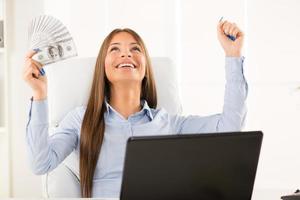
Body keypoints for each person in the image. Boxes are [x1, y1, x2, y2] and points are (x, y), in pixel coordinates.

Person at [23, 20, 247, 198]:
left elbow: (230, 126)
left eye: (135, 49)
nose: (126, 54)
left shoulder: (169, 123)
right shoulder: (81, 119)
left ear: (146, 69)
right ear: (104, 67)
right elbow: (40, 162)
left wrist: (233, 55)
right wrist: (40, 94)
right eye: (115, 49)